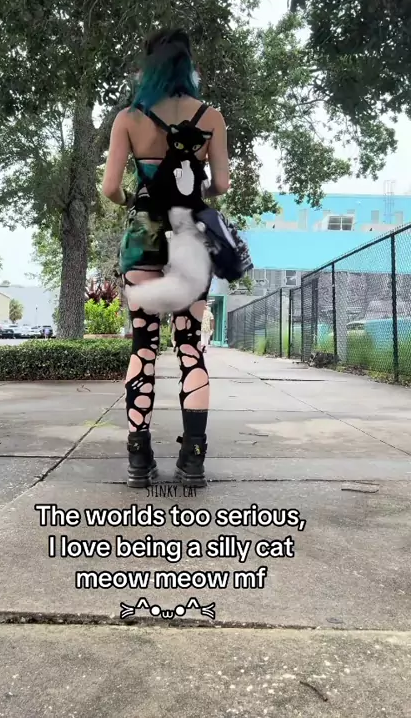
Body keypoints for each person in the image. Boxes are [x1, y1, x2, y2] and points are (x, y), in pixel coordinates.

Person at [102, 28, 229, 489]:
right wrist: (191, 187)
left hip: (144, 239)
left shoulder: (129, 118)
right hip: (191, 238)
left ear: (150, 66)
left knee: (143, 347)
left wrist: (136, 198)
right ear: (188, 66)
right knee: (191, 347)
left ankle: (139, 459)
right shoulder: (210, 117)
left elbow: (110, 188)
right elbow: (221, 185)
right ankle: (193, 460)